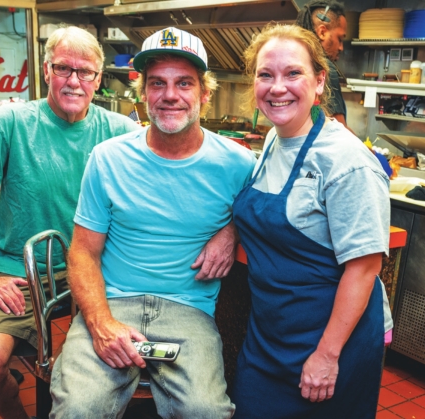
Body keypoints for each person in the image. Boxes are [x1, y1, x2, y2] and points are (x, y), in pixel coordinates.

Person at [50, 27, 255, 419]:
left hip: (189, 312)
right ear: (143, 93)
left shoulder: (238, 164)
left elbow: (270, 214)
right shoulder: (107, 158)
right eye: (157, 83)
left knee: (206, 412)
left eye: (184, 83)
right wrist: (100, 322)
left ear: (205, 94)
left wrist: (233, 229)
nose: (170, 95)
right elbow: (82, 253)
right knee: (77, 409)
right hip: (112, 303)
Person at [0, 26, 139, 419]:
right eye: (63, 68)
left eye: (85, 72)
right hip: (20, 270)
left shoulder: (121, 131)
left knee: (87, 366)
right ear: (47, 70)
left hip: (95, 272)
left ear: (98, 78)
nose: (74, 81)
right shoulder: (9, 122)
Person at [230, 24, 391, 418]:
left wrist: (327, 355)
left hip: (331, 340)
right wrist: (227, 233)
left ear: (319, 82)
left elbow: (365, 267)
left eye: (293, 73)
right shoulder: (275, 138)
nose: (277, 87)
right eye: (265, 75)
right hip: (271, 333)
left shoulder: (347, 161)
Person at [296, 0, 351, 131]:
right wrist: (364, 145)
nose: (341, 47)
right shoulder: (324, 68)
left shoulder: (296, 62)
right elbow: (339, 130)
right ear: (322, 32)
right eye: (340, 39)